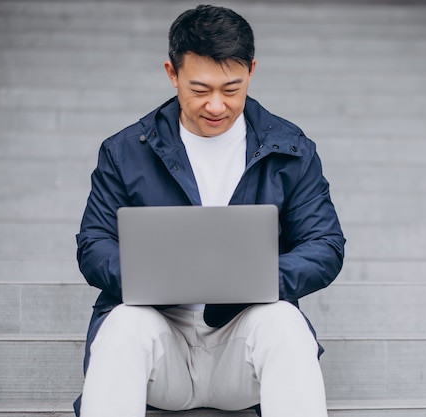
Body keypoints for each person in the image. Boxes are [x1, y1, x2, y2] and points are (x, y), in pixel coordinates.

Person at [73, 4, 345, 417]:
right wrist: (155, 279)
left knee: (285, 324)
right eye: (200, 90)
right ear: (172, 73)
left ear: (252, 70)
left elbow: (325, 244)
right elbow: (93, 244)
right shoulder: (125, 152)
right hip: (160, 341)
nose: (216, 106)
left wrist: (252, 280)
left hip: (241, 342)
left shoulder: (292, 149)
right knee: (123, 325)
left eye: (231, 89)